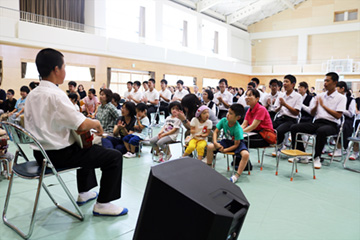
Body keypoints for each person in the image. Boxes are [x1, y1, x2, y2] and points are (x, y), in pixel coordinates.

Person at [26, 48, 127, 217]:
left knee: (85, 147)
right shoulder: (56, 95)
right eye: (64, 66)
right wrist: (96, 123)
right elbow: (81, 126)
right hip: (58, 155)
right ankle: (103, 204)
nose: (65, 71)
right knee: (113, 157)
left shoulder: (32, 94)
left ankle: (84, 192)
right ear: (56, 69)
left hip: (39, 154)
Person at [289, 72, 346, 169]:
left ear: (335, 83)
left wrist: (323, 106)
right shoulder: (320, 96)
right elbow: (312, 114)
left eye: (328, 81)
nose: (325, 83)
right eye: (324, 80)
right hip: (318, 122)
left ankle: (317, 157)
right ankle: (302, 155)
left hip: (332, 125)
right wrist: (315, 106)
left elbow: (338, 115)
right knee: (294, 127)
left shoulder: (341, 98)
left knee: (321, 131)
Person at [204, 104, 249, 183]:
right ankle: (209, 167)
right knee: (210, 147)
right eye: (228, 112)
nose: (228, 114)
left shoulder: (237, 129)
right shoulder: (223, 120)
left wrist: (225, 150)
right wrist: (215, 143)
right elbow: (215, 132)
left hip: (237, 143)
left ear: (237, 118)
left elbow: (236, 145)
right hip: (227, 141)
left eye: (231, 113)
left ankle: (237, 175)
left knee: (245, 154)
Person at [272, 75, 302, 154]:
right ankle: (274, 143)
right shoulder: (281, 95)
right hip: (280, 118)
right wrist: (281, 106)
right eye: (284, 81)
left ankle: (279, 146)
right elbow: (275, 110)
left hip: (291, 120)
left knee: (279, 130)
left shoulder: (298, 96)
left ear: (293, 84)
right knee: (268, 126)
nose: (284, 84)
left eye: (287, 82)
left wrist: (285, 105)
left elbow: (296, 112)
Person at [328, 81, 355, 157]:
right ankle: (338, 148)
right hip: (337, 118)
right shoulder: (335, 99)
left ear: (342, 89)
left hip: (347, 120)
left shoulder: (351, 100)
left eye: (337, 88)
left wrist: (341, 110)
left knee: (342, 127)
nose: (335, 90)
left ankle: (342, 148)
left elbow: (351, 114)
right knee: (330, 125)